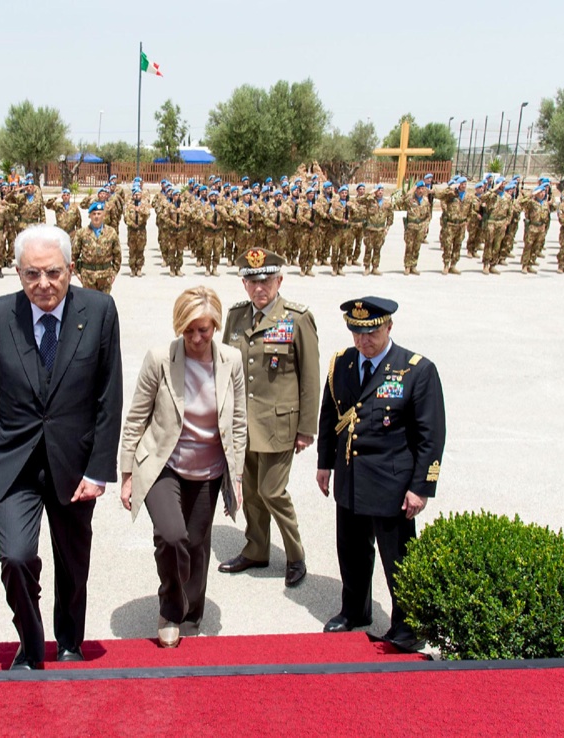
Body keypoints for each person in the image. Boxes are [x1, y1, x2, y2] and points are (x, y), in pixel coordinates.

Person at [0, 223, 122, 670]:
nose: (44, 284)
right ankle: (31, 641)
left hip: (74, 463)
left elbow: (107, 398)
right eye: (32, 274)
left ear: (70, 269)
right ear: (17, 273)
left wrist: (99, 471)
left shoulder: (99, 311)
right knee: (16, 557)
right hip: (12, 462)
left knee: (73, 563)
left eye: (53, 272)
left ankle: (70, 641)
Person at [316, 297, 446, 652]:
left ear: (389, 327)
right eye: (356, 332)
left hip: (392, 483)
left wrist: (421, 488)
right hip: (350, 477)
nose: (363, 341)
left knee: (398, 559)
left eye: (370, 332)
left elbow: (430, 436)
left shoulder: (415, 369)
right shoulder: (341, 364)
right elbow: (330, 416)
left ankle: (407, 626)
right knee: (352, 551)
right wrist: (324, 463)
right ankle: (354, 610)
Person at [119, 286, 246, 648]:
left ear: (215, 326)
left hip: (209, 469)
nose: (195, 337)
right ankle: (171, 610)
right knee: (172, 536)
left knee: (197, 544)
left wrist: (236, 477)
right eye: (188, 329)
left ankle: (192, 607)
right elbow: (136, 417)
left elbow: (238, 422)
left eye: (203, 330)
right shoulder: (160, 358)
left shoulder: (231, 361)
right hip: (164, 465)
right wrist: (127, 475)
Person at [217, 248, 318, 587]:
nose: (259, 288)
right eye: (251, 281)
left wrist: (306, 429)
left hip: (278, 424)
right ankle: (257, 549)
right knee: (252, 492)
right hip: (243, 423)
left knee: (272, 491)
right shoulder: (236, 317)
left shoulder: (297, 318)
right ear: (244, 284)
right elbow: (226, 366)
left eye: (266, 281)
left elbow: (310, 377)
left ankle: (295, 554)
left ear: (279, 280)